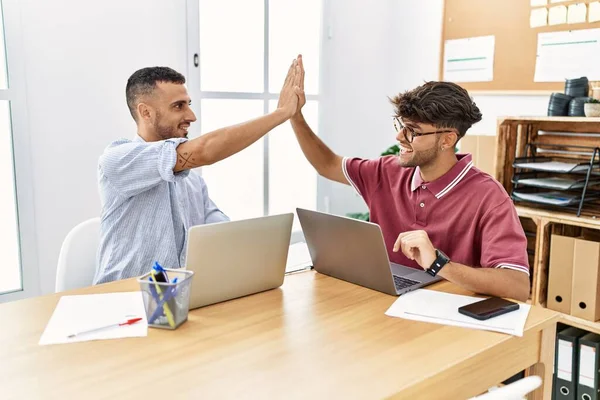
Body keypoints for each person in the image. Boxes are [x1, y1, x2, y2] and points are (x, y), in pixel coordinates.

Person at [290, 56, 530, 301]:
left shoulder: (489, 196)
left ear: (447, 140)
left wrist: (439, 264)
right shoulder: (387, 171)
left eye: (413, 131)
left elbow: (517, 285)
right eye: (401, 125)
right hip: (384, 308)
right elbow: (327, 164)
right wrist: (295, 116)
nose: (400, 137)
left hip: (447, 322)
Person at [94, 59, 301, 284]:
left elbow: (222, 233)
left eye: (188, 104)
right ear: (146, 113)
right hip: (121, 299)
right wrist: (281, 113)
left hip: (177, 301)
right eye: (178, 106)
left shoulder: (192, 180)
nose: (192, 116)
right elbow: (204, 151)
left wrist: (263, 251)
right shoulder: (117, 159)